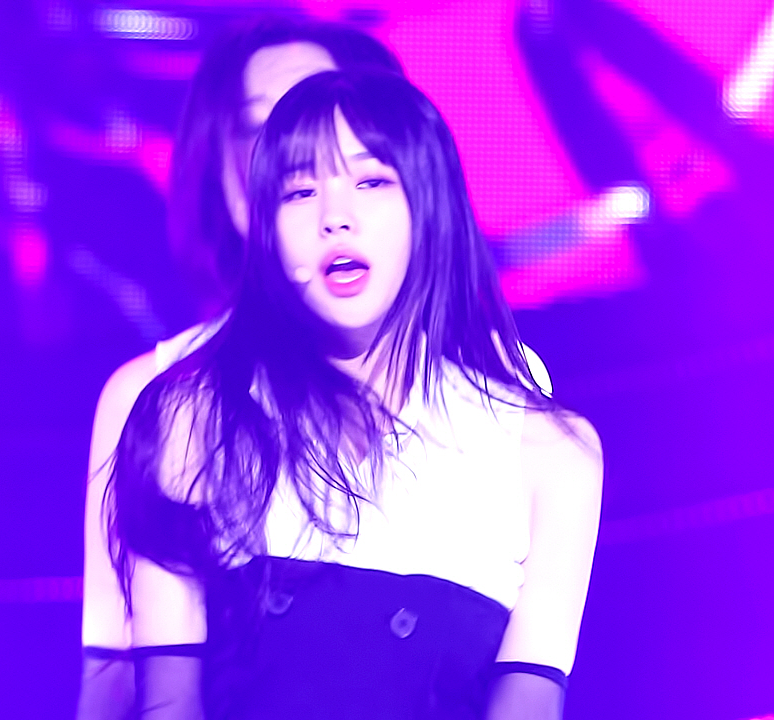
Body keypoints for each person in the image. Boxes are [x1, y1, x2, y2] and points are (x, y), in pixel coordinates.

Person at [106, 69, 602, 719]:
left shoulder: (548, 455)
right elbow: (166, 703)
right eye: (300, 191)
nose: (334, 219)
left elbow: (528, 704)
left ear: (430, 204)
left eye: (371, 182)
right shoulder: (190, 422)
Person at [78, 18, 405, 719]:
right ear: (224, 176)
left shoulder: (489, 395)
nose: (295, 155)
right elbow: (112, 673)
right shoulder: (148, 399)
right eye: (263, 129)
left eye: (323, 120)